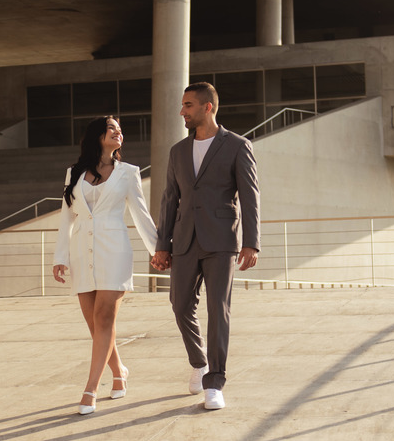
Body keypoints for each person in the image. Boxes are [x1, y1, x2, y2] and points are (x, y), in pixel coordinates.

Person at [151, 82, 260, 410]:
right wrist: (162, 244)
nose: (182, 111)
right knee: (179, 303)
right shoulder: (177, 151)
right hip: (184, 239)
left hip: (222, 240)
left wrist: (251, 243)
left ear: (207, 107)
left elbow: (250, 197)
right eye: (183, 106)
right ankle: (199, 363)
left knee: (218, 309)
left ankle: (215, 381)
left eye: (188, 105)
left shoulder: (237, 146)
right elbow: (170, 199)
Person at [53, 116, 158, 415]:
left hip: (114, 251)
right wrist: (60, 257)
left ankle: (90, 390)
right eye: (112, 128)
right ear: (98, 135)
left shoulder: (128, 173)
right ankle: (120, 370)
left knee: (104, 318)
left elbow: (141, 214)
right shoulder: (73, 173)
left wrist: (158, 250)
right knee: (95, 324)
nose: (118, 133)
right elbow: (66, 217)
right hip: (81, 253)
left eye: (120, 130)